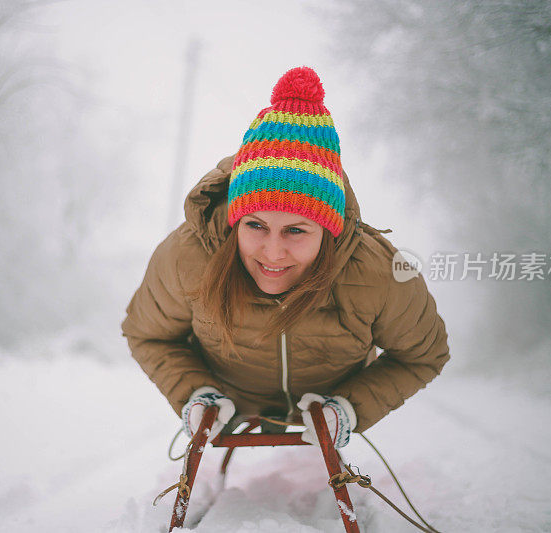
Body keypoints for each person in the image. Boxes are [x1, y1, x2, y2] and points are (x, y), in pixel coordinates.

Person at [122, 66, 450, 449]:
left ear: (327, 231)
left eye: (296, 230)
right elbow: (148, 334)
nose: (273, 252)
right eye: (256, 226)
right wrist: (198, 393)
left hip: (329, 391)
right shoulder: (187, 258)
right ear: (235, 221)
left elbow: (423, 354)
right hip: (230, 393)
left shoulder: (378, 273)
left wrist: (350, 407)